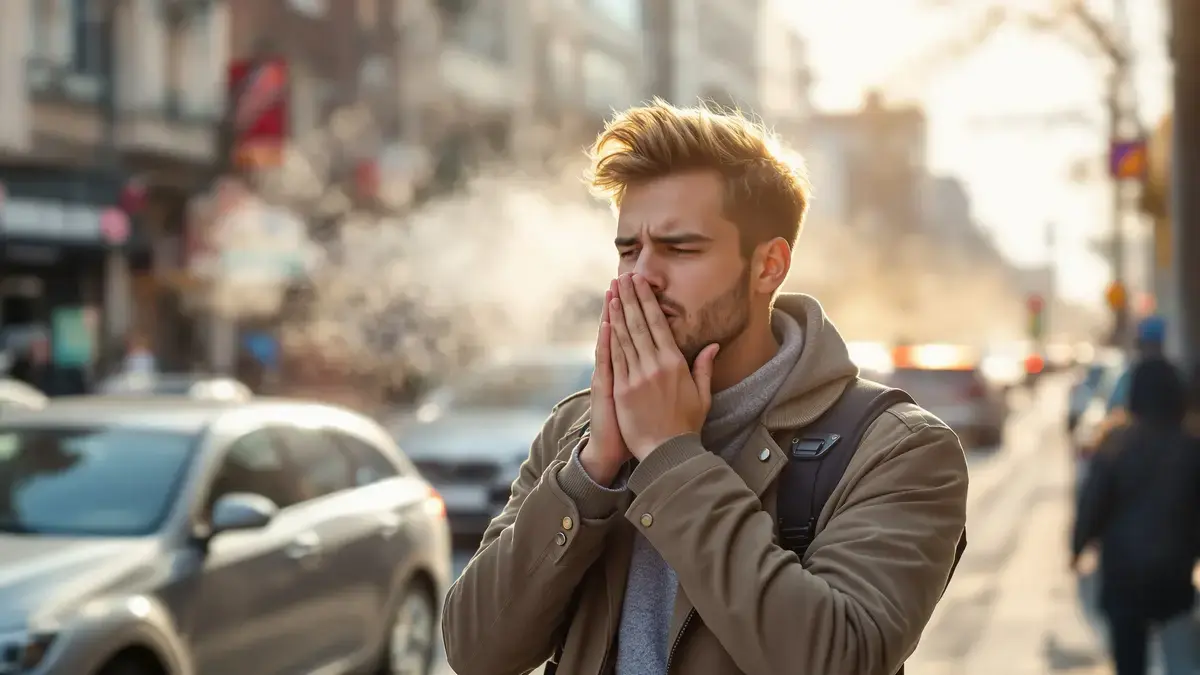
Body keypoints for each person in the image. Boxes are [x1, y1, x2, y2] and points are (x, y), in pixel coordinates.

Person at [441, 100, 969, 675]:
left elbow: (839, 659)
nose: (642, 276)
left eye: (680, 248)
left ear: (768, 266)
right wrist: (592, 472)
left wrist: (670, 456)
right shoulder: (577, 430)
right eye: (628, 250)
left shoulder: (897, 450)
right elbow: (475, 651)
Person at [1072, 358, 1200, 675]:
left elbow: (1093, 504)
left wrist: (1077, 548)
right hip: (1175, 575)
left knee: (1129, 662)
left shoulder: (1115, 445)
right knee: (1182, 661)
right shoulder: (1191, 448)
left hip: (1123, 577)